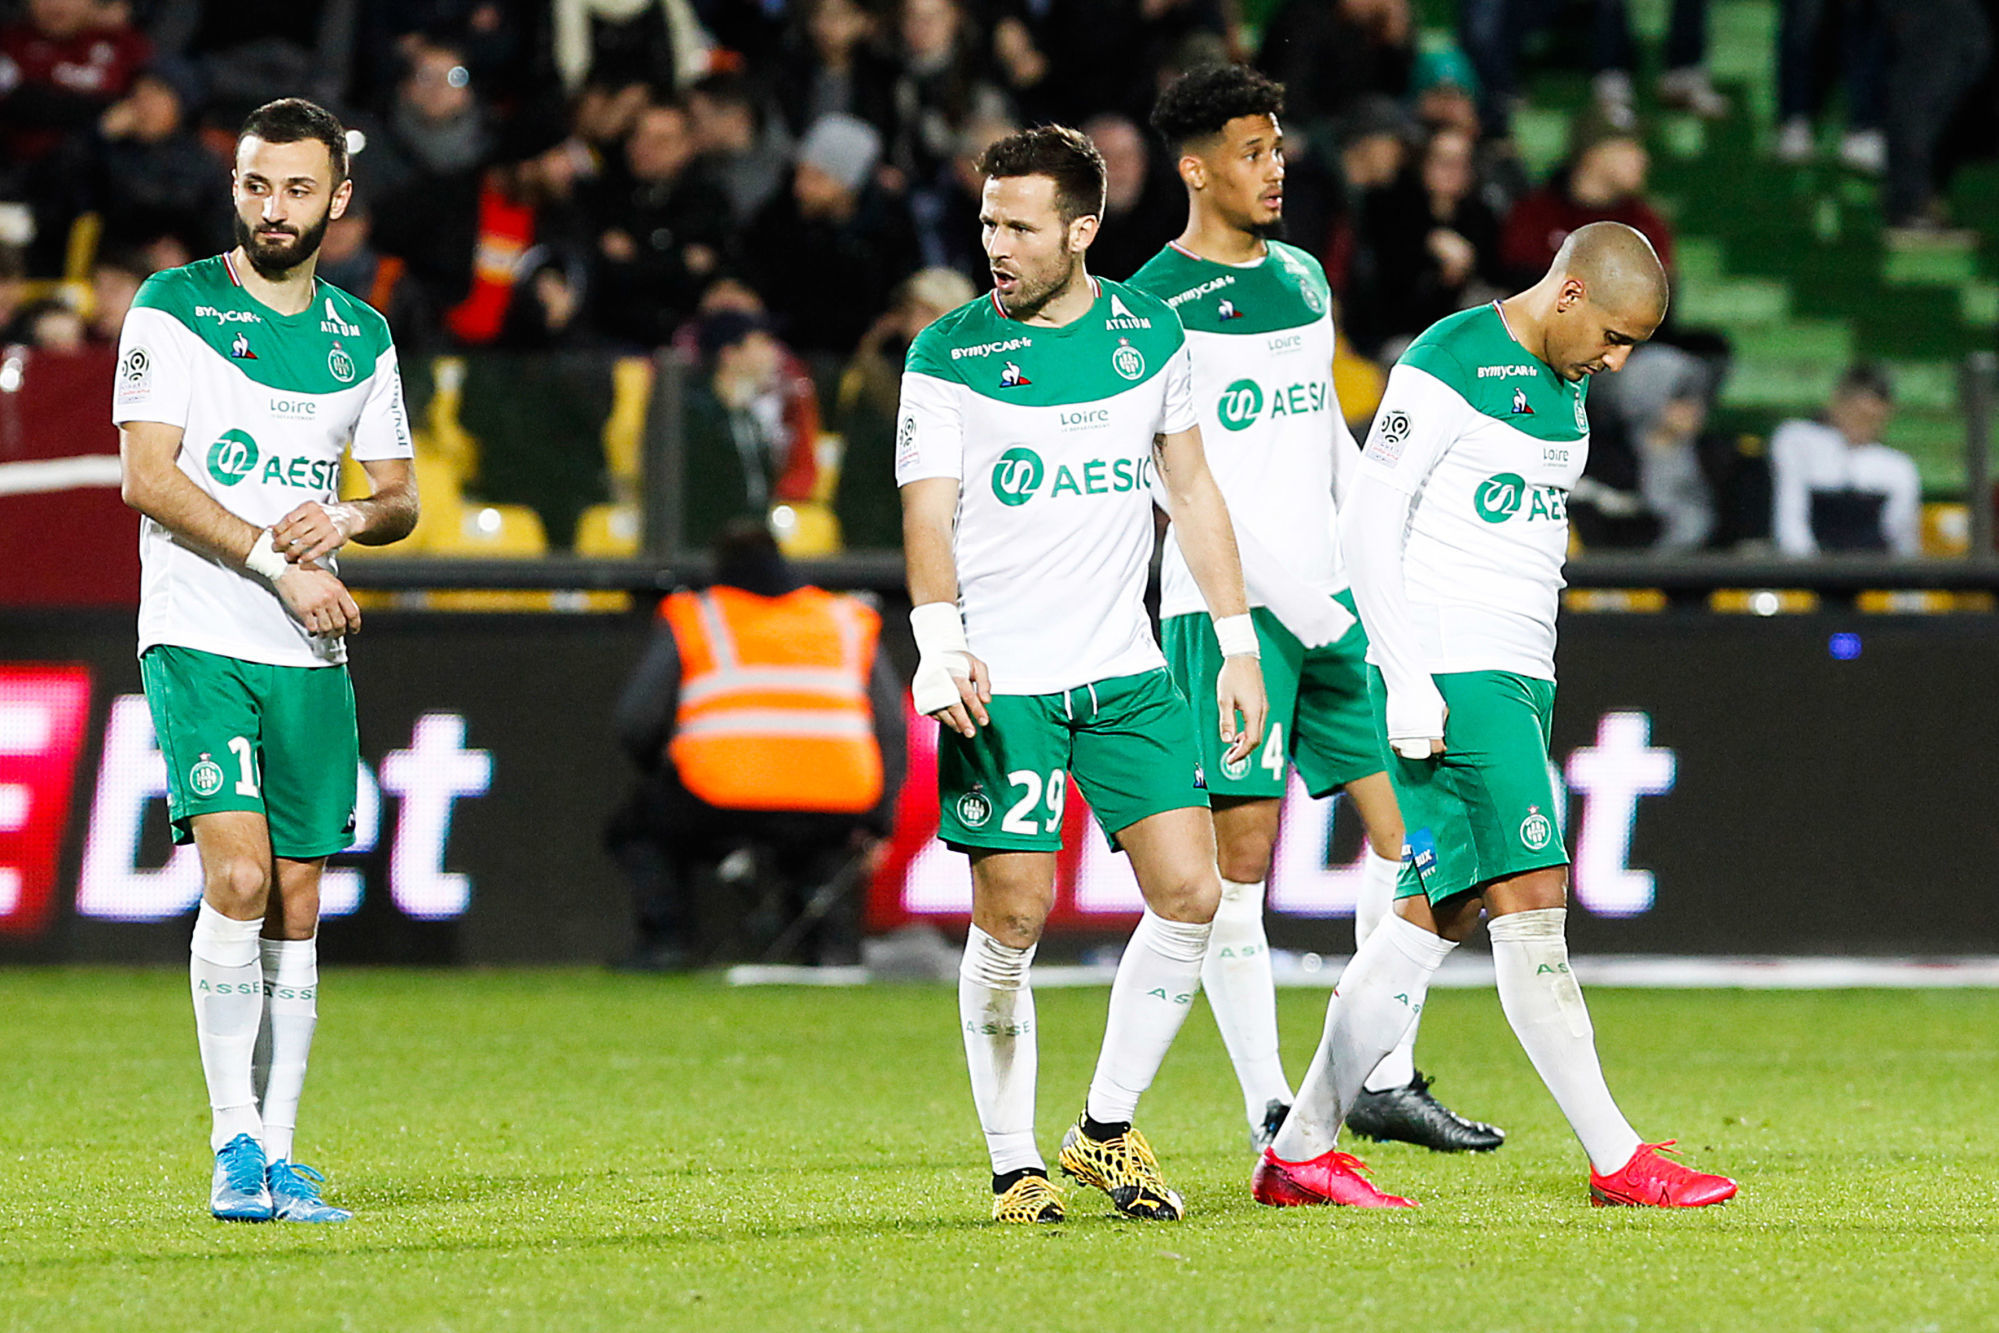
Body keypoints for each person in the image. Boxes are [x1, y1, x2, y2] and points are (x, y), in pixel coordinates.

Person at [1257, 221, 1737, 1210]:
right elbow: (1366, 522)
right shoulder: (1448, 359)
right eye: (1613, 335)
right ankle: (1616, 1158)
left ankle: (1300, 1148)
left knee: (1432, 916)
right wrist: (1405, 675)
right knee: (1532, 907)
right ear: (1566, 294)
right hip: (1454, 671)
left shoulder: (1562, 386)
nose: (1617, 360)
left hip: (1516, 672)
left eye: (1634, 345)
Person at [898, 124, 1267, 1224]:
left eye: (1016, 226)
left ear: (1082, 231)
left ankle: (1103, 1128)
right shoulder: (947, 353)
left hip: (1125, 671)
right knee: (1012, 922)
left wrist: (1238, 642)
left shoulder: (1151, 336)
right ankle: (1013, 1162)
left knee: (1194, 894)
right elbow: (926, 511)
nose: (993, 245)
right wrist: (937, 639)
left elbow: (1191, 492)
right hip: (1001, 684)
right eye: (984, 223)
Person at [1132, 63, 1501, 1157]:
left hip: (1337, 611)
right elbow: (1175, 486)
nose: (1274, 166)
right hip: (1226, 616)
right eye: (1250, 151)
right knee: (1237, 867)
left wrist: (1369, 575)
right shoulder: (1148, 303)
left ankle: (1378, 1074)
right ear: (1195, 169)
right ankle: (1270, 1105)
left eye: (1278, 146)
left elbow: (1325, 450)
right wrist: (1299, 600)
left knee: (1420, 839)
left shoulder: (1300, 277)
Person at [112, 98, 418, 1223]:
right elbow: (148, 478)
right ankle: (230, 1140)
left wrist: (341, 520)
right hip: (198, 633)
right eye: (254, 185)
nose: (272, 209)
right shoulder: (174, 307)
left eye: (296, 189)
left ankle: (280, 1150)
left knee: (297, 902)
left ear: (337, 199)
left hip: (308, 649)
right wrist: (271, 558)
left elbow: (400, 502)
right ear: (233, 186)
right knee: (235, 878)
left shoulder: (362, 337)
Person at [606, 519, 906, 970]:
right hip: (837, 807)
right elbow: (892, 728)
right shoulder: (846, 619)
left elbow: (636, 722)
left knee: (636, 830)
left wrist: (660, 769)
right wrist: (880, 821)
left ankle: (666, 943)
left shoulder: (698, 615)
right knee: (821, 854)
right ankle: (830, 946)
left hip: (721, 801)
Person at [1771, 363, 1917, 556]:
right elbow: (1790, 517)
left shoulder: (1898, 467)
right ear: (1836, 402)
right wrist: (1811, 573)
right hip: (1811, 569)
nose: (1861, 424)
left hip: (1872, 573)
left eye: (1870, 418)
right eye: (1855, 413)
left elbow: (1900, 537)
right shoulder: (1798, 440)